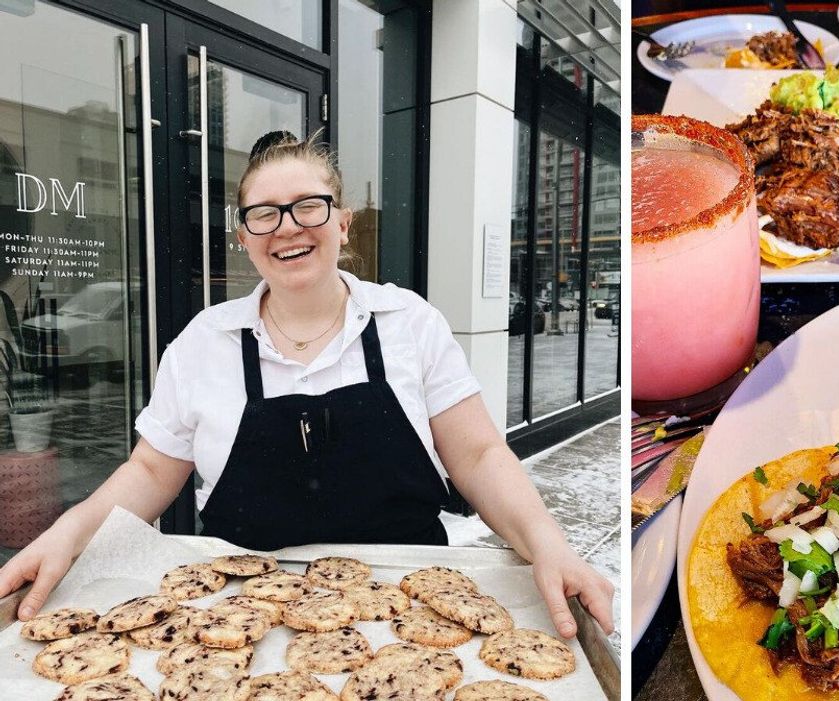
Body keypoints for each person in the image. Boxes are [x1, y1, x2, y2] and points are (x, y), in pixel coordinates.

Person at [0, 131, 613, 639]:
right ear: (243, 238)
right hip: (247, 615)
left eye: (309, 206)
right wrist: (66, 536)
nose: (287, 227)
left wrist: (547, 543)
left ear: (343, 223)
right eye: (264, 214)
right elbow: (151, 473)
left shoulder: (409, 325)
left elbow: (478, 455)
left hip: (412, 606)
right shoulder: (201, 345)